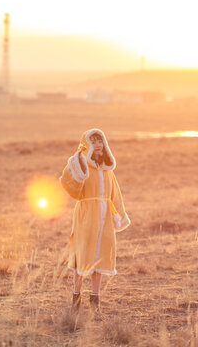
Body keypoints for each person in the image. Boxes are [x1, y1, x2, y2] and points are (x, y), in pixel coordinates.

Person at [59, 128, 130, 314]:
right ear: (87, 144)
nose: (98, 144)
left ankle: (95, 300)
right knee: (82, 256)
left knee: (99, 257)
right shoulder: (81, 165)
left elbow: (114, 194)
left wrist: (119, 217)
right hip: (86, 216)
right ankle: (76, 297)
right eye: (94, 141)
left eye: (100, 141)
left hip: (105, 218)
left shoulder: (107, 169)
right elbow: (71, 187)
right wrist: (78, 162)